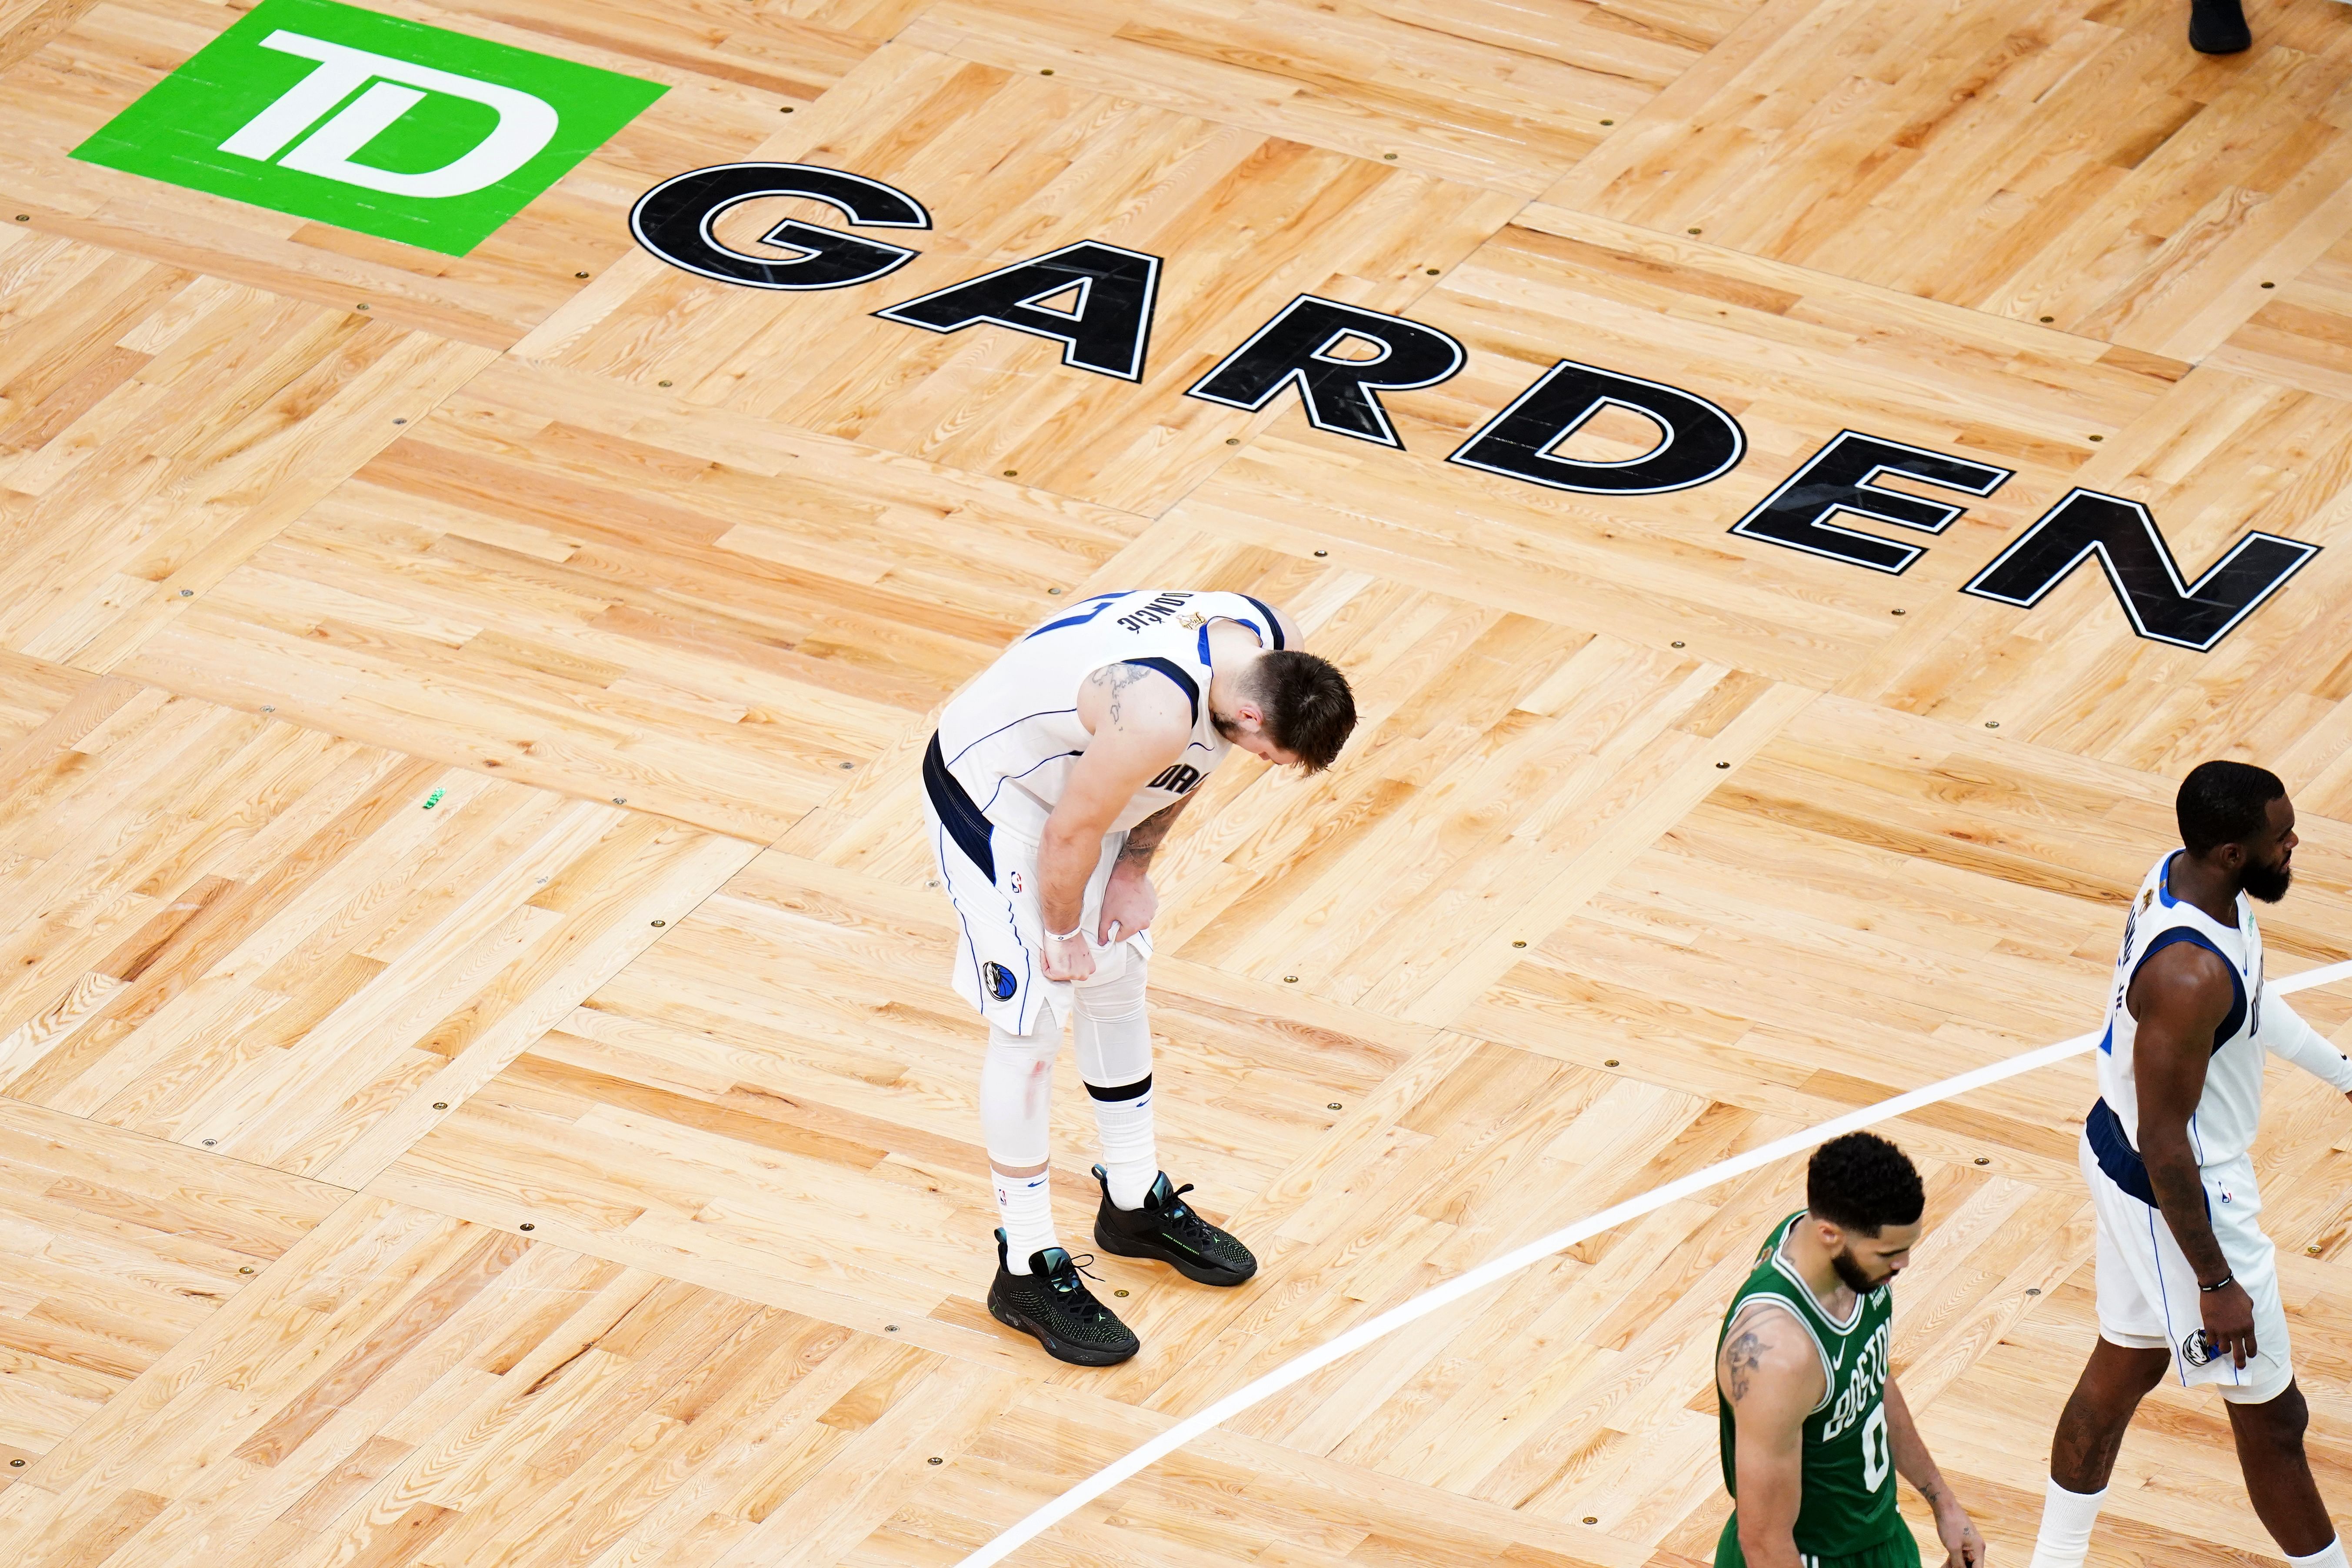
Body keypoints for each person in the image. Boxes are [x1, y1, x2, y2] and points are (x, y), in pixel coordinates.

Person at [922, 589, 1357, 1365]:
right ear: (1258, 717)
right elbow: (1069, 830)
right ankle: (1023, 1265)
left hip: (1088, 788)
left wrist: (1133, 870)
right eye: (1270, 757)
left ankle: (1131, 1202)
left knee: (1118, 978)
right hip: (1003, 799)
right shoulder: (1152, 711)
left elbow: (1189, 766)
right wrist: (1058, 934)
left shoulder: (1263, 643)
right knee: (1032, 1025)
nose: (1259, 764)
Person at [2027, 761, 2352, 1568]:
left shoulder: (2188, 882)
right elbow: (2170, 1143)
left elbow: (2249, 995)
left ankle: (2052, 1560)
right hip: (2180, 1193)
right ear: (2235, 853)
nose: (2295, 844)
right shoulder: (2186, 974)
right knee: (2274, 1420)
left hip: (2122, 1155)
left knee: (2127, 1361)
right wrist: (2216, 1283)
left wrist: (2344, 1071)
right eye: (2282, 838)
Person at [1715, 1132, 1985, 1568]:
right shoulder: (1779, 1357)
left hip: (1879, 1537)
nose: (1902, 1265)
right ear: (1829, 1234)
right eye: (1889, 1253)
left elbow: (1870, 1382)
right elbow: (1764, 1540)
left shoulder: (1851, 1267)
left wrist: (1942, 1501)